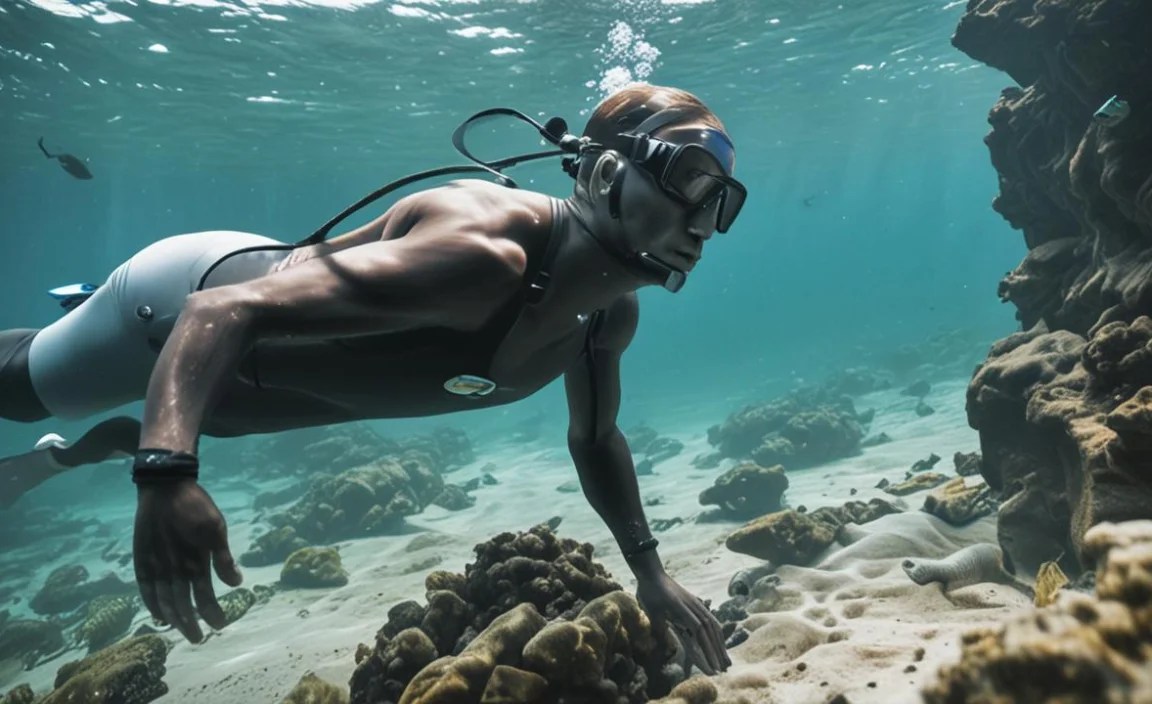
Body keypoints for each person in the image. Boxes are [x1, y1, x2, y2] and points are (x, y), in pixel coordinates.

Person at [0, 83, 746, 674]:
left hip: (244, 391)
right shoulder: (487, 257)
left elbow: (596, 435)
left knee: (176, 421)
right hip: (174, 312)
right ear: (609, 173)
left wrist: (648, 571)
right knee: (21, 389)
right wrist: (165, 473)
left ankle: (79, 450)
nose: (705, 222)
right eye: (691, 181)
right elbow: (220, 311)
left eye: (723, 201)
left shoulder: (604, 322)